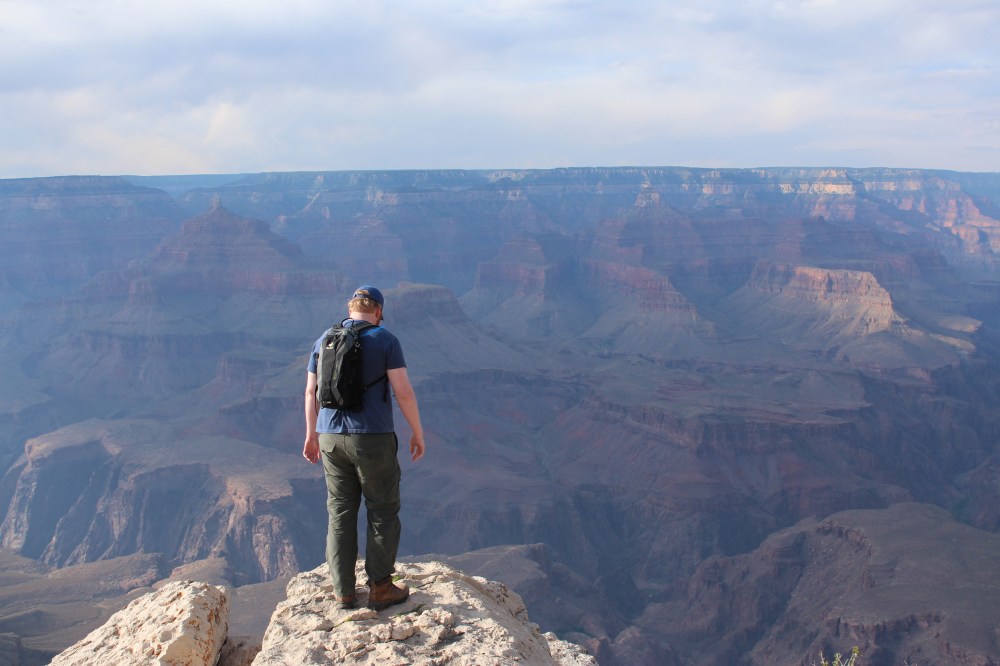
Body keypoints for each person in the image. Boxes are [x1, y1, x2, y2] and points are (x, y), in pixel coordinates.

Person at [302, 285, 426, 611]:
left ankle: (343, 591)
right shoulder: (385, 339)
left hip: (329, 437)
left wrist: (311, 435)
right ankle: (381, 587)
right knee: (382, 509)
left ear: (350, 309)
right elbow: (404, 392)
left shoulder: (324, 339)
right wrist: (417, 432)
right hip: (371, 438)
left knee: (340, 512)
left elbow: (311, 392)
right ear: (379, 311)